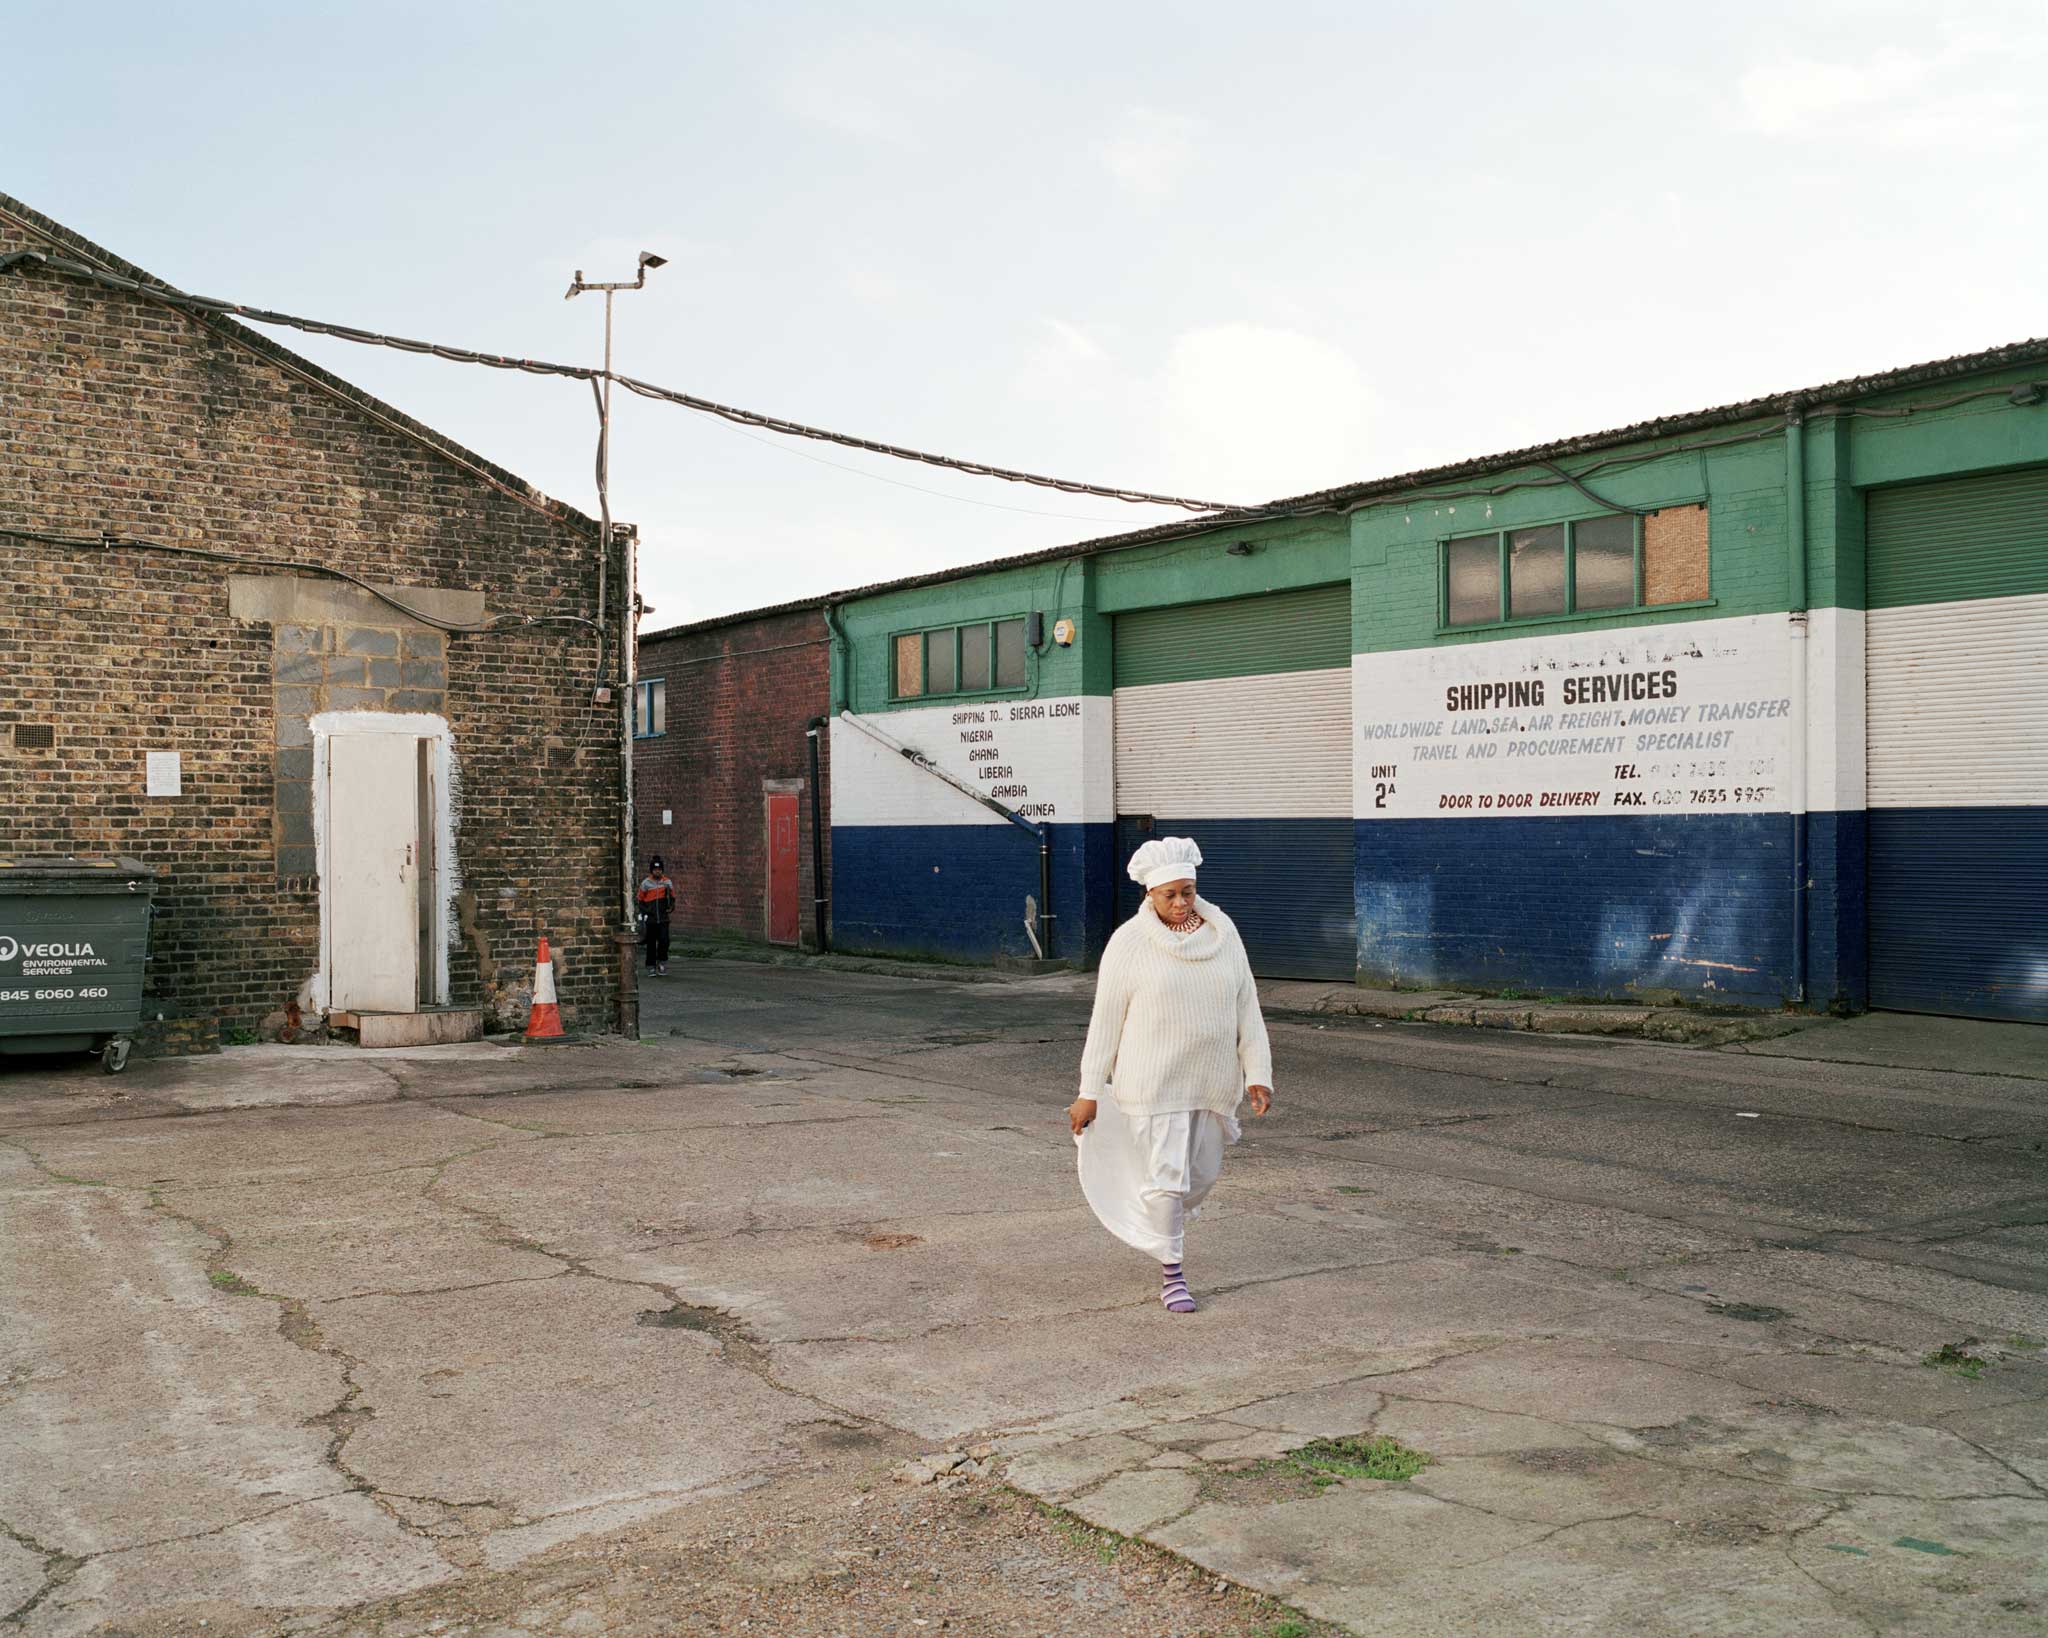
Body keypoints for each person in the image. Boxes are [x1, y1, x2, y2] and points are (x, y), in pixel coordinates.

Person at [1069, 837, 1273, 1314]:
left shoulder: (1223, 934)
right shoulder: (1129, 943)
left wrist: (1257, 1073)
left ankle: (1161, 1225)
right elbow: (1105, 1022)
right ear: (1149, 894)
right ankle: (1173, 1273)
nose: (1181, 903)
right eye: (1170, 895)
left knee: (1198, 1179)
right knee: (1168, 1182)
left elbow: (1248, 1006)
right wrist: (1088, 1091)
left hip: (1210, 1083)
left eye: (1188, 891)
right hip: (1152, 1084)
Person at [637, 855, 676, 975]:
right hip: (651, 919)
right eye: (655, 870)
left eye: (659, 870)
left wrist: (671, 907)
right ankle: (651, 966)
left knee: (664, 941)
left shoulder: (667, 882)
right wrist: (646, 911)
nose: (657, 872)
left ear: (662, 870)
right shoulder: (646, 883)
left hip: (663, 918)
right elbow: (640, 900)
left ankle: (662, 962)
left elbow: (673, 898)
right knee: (651, 943)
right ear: (651, 871)